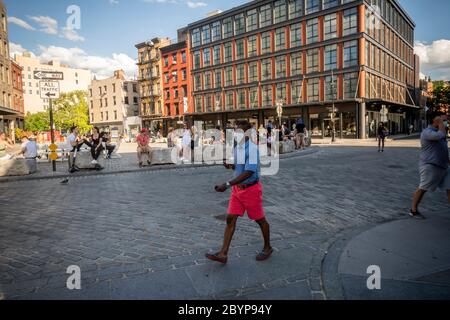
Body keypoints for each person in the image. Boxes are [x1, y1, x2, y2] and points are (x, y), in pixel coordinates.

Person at [206, 120, 272, 264]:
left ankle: (267, 247)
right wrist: (230, 166)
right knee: (230, 218)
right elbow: (239, 167)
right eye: (236, 131)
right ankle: (223, 254)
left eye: (240, 131)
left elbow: (249, 172)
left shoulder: (253, 149)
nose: (236, 133)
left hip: (251, 190)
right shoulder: (238, 147)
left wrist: (227, 184)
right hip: (237, 190)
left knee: (260, 220)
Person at [410, 113, 450, 219]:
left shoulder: (438, 131)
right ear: (435, 120)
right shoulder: (427, 133)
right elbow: (442, 135)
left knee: (449, 187)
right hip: (430, 166)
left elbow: (442, 149)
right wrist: (440, 122)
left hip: (444, 166)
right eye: (443, 119)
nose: (445, 122)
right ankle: (413, 210)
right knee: (423, 188)